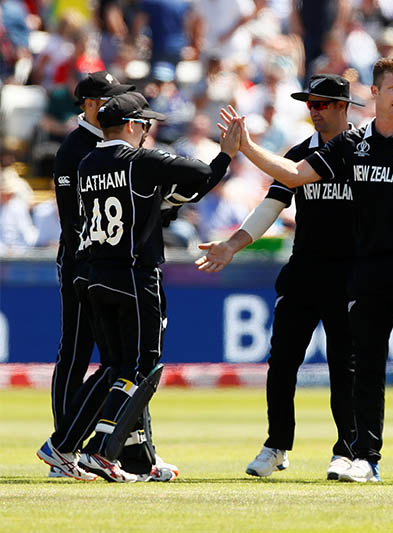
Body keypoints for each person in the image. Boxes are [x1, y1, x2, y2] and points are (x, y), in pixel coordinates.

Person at [219, 57, 393, 483]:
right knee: (356, 364)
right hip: (352, 271)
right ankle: (361, 456)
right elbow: (291, 179)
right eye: (392, 89)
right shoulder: (349, 148)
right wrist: (247, 151)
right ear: (375, 92)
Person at [36, 91, 240, 482]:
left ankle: (63, 446)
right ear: (130, 126)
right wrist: (226, 154)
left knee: (114, 368)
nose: (148, 131)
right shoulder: (139, 160)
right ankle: (99, 450)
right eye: (144, 124)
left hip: (96, 274)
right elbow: (198, 176)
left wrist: (160, 199)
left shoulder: (87, 162)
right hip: (134, 274)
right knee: (143, 366)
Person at [195, 74, 363, 480]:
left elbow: (290, 176)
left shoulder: (361, 149)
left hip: (350, 274)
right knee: (283, 362)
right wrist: (231, 246)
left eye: (323, 104)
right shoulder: (300, 151)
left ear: (343, 107)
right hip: (304, 270)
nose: (315, 111)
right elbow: (272, 204)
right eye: (311, 104)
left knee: (346, 365)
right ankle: (277, 445)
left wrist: (247, 147)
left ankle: (348, 450)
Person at [46, 71, 176, 481]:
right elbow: (73, 221)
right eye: (106, 99)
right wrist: (87, 268)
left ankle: (129, 454)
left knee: (125, 362)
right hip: (87, 265)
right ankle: (68, 447)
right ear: (87, 104)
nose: (111, 106)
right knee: (83, 354)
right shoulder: (77, 148)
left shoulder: (103, 145)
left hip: (103, 265)